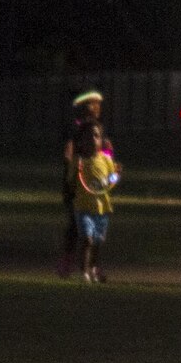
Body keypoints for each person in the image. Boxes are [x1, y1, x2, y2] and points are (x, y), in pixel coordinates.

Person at [58, 89, 110, 277]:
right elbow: (69, 151)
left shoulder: (98, 129)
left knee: (97, 231)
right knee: (75, 225)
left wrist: (109, 161)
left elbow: (105, 154)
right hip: (77, 183)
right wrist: (70, 170)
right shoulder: (75, 128)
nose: (96, 107)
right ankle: (68, 262)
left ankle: (93, 266)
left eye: (98, 104)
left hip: (96, 187)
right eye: (92, 103)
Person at [72, 120, 120, 283]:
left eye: (96, 136)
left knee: (98, 241)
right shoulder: (79, 161)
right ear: (81, 141)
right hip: (84, 208)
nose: (93, 139)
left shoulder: (106, 160)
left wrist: (116, 175)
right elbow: (71, 180)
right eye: (88, 136)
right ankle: (84, 271)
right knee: (87, 239)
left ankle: (93, 268)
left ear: (101, 140)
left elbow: (110, 181)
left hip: (101, 208)